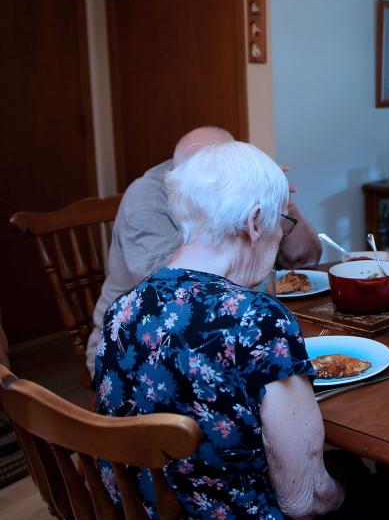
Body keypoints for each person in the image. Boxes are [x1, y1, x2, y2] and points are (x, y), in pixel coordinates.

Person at [95, 141, 369, 520]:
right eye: (283, 221)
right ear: (255, 220)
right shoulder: (258, 322)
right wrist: (348, 490)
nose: (282, 234)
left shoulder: (123, 309)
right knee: (378, 495)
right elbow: (303, 500)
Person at [85, 126, 322, 376]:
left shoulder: (241, 192)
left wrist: (279, 203)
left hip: (222, 324)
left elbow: (305, 260)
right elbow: (168, 289)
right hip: (136, 341)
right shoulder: (146, 197)